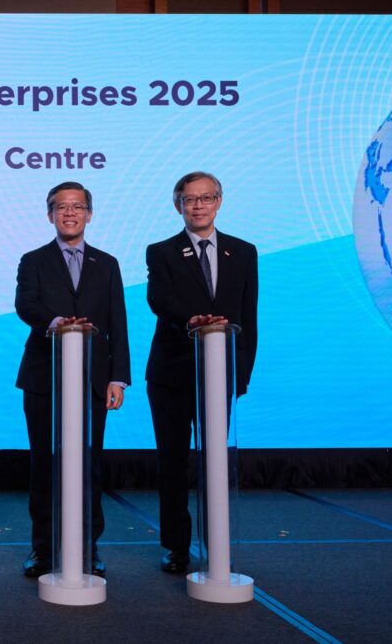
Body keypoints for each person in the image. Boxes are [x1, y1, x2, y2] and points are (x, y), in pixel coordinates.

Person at [15, 181, 130, 579]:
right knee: (44, 464)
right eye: (61, 206)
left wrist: (118, 378)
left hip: (93, 380)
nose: (69, 212)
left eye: (77, 206)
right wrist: (54, 322)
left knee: (89, 465)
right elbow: (25, 305)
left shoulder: (107, 263)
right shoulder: (33, 260)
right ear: (50, 215)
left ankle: (87, 546)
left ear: (89, 214)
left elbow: (118, 321)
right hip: (43, 378)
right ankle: (43, 548)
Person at [145, 171, 258, 574]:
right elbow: (158, 300)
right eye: (189, 199)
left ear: (219, 201)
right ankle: (176, 546)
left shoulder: (243, 252)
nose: (198, 206)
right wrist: (190, 319)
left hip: (219, 373)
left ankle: (217, 543)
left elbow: (248, 316)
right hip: (172, 373)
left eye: (206, 198)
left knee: (214, 461)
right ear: (178, 205)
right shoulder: (161, 251)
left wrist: (241, 374)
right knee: (173, 463)